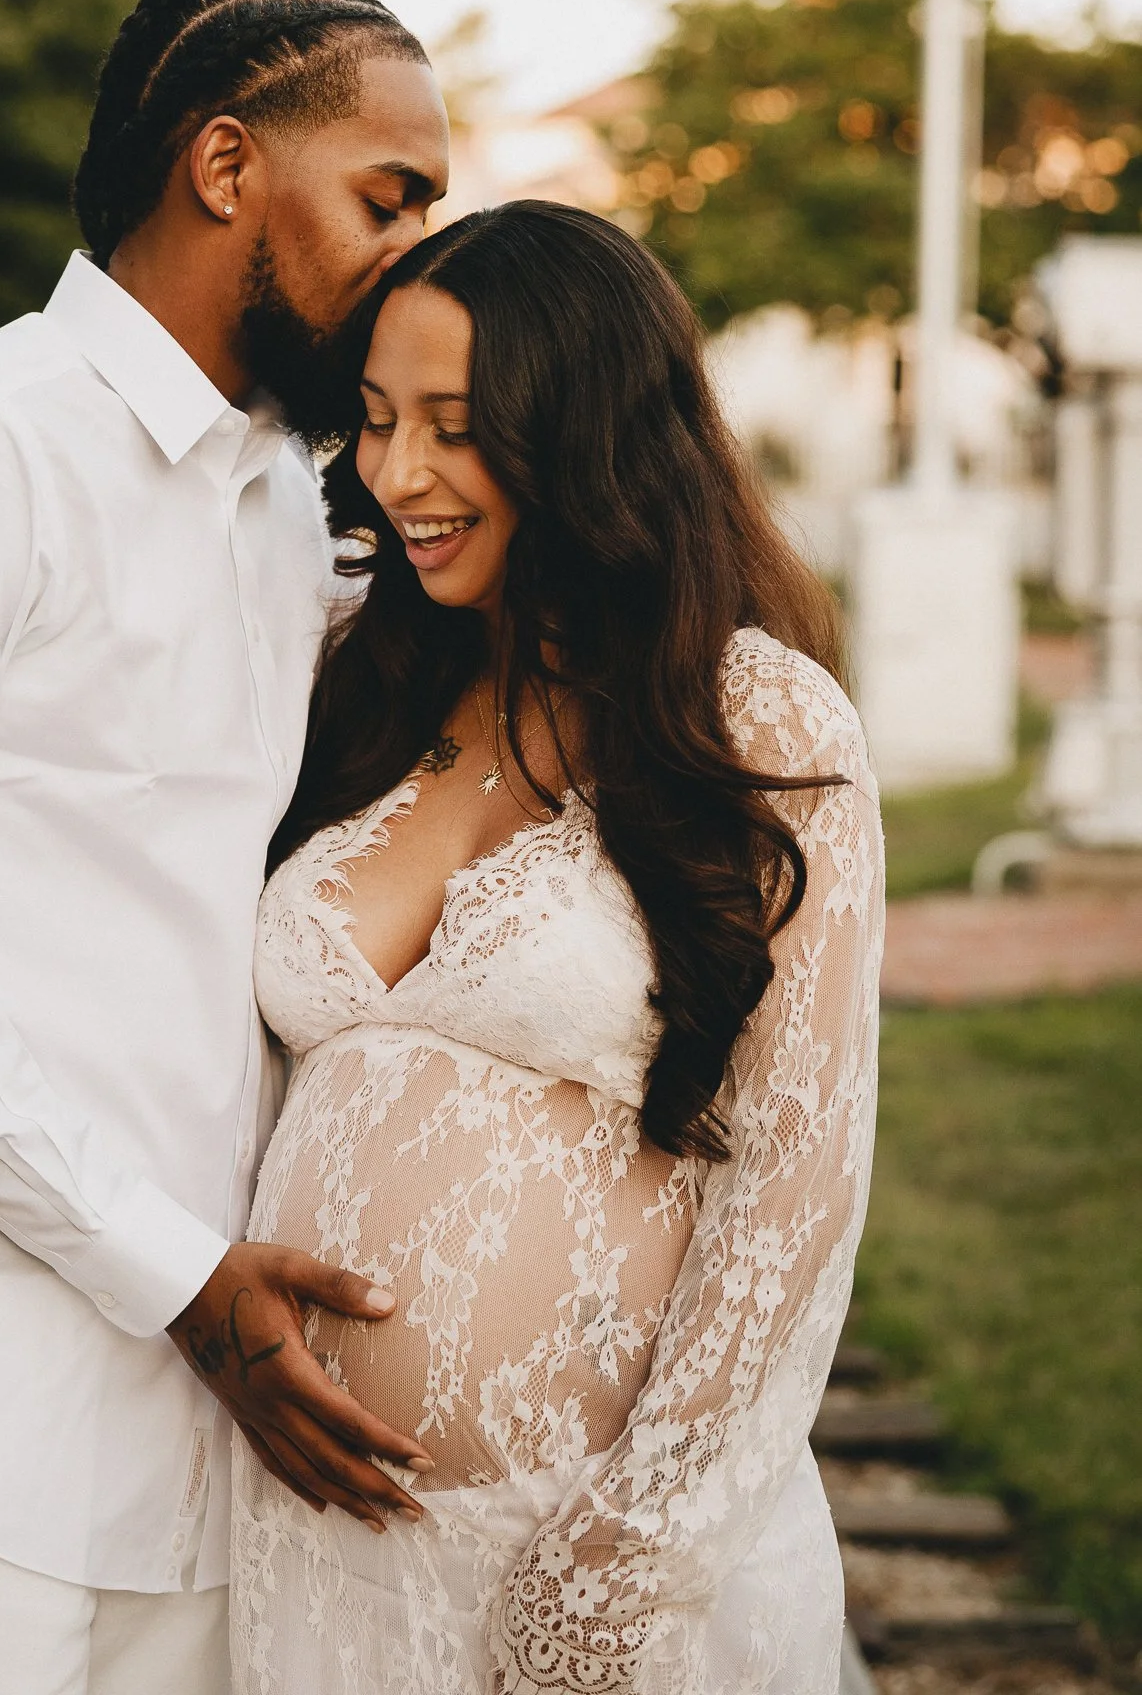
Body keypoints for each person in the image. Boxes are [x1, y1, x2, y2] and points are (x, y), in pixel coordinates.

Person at [0, 0, 451, 1695]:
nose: (417, 251)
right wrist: (178, 1273)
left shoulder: (294, 507)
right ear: (225, 169)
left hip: (212, 1407)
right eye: (390, 194)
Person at [232, 200, 884, 1694]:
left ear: (584, 434)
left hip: (588, 1563)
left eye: (455, 428)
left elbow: (796, 1176)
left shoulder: (756, 718)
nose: (398, 476)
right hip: (307, 1546)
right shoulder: (356, 682)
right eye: (379, 421)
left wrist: (625, 1561)